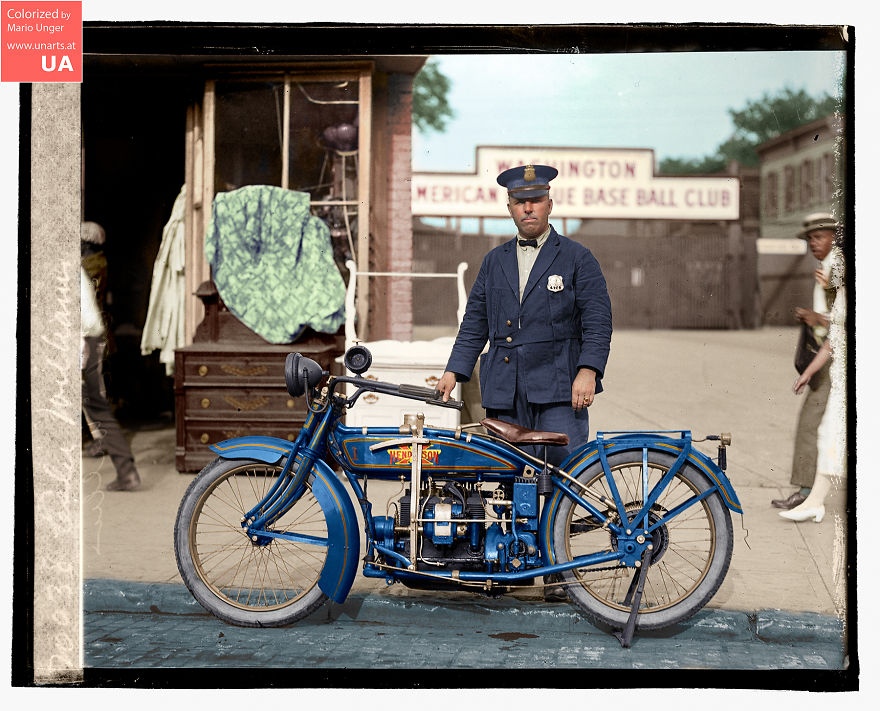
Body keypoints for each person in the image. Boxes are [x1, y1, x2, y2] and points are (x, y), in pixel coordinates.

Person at [435, 164, 612, 599]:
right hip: (506, 389)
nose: (527, 207)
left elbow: (599, 319)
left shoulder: (576, 257)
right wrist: (454, 371)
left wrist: (588, 370)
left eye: (535, 200)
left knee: (562, 479)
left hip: (558, 389)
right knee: (510, 481)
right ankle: (511, 566)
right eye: (519, 201)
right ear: (509, 207)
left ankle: (558, 575)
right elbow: (475, 321)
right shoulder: (494, 261)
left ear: (550, 204)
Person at [772, 213, 842, 510]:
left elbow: (844, 321)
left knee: (810, 424)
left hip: (834, 359)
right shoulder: (826, 266)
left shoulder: (838, 267)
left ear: (834, 237)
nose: (814, 242)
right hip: (825, 353)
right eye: (811, 238)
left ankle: (805, 491)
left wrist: (818, 319)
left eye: (820, 236)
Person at [82, 223, 142, 491]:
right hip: (89, 338)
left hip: (83, 340)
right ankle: (126, 471)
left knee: (96, 401)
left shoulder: (91, 263)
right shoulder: (86, 264)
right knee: (97, 404)